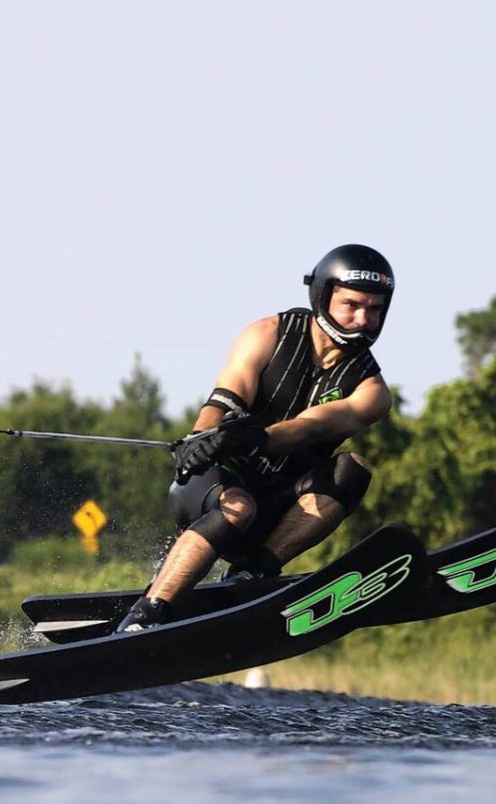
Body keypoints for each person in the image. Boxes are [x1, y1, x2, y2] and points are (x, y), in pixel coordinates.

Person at [117, 243, 396, 631]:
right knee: (238, 508)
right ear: (323, 295)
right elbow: (223, 399)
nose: (363, 319)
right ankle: (146, 615)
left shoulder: (372, 391)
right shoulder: (267, 334)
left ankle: (253, 572)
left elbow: (314, 425)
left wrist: (257, 438)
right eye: (351, 305)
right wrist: (201, 438)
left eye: (374, 309)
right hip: (213, 486)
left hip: (276, 509)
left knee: (352, 470)